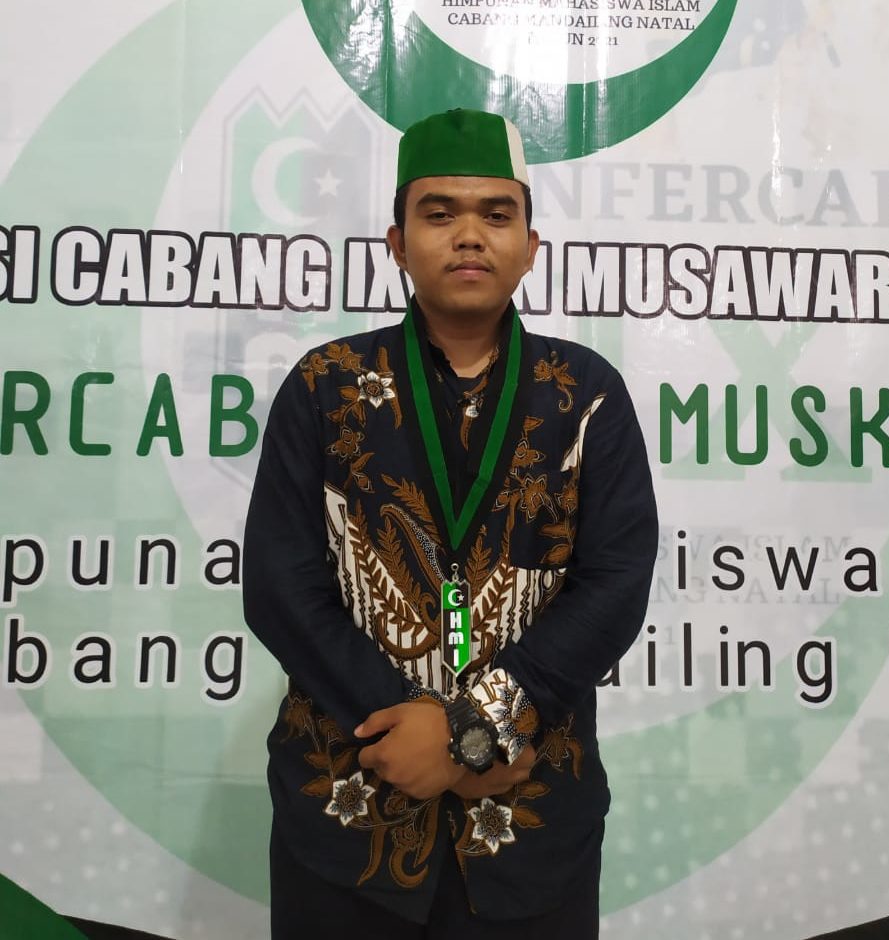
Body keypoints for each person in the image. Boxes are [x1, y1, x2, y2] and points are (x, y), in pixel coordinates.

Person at [243, 108, 658, 938]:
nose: (469, 235)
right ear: (397, 243)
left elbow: (614, 586)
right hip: (348, 812)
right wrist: (412, 726)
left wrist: (476, 728)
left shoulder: (586, 396)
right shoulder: (326, 386)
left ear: (531, 247)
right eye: (439, 213)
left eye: (496, 214)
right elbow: (280, 588)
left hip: (530, 820)